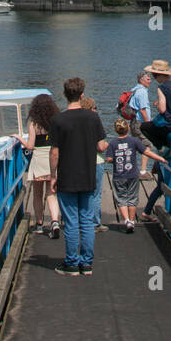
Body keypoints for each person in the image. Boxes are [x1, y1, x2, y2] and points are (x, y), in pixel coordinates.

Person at [49, 77, 107, 276]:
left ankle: (72, 263)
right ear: (82, 95)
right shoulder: (93, 118)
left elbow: (54, 152)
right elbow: (101, 146)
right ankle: (87, 263)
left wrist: (52, 175)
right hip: (88, 175)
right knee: (87, 220)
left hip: (67, 176)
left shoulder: (58, 120)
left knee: (71, 221)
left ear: (65, 95)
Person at [105, 119, 166, 231]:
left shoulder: (112, 143)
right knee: (132, 197)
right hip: (132, 174)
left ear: (116, 130)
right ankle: (132, 221)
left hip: (119, 175)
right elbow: (146, 152)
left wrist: (116, 159)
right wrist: (160, 158)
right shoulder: (134, 141)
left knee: (121, 198)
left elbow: (108, 159)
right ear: (128, 128)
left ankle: (127, 220)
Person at [21, 92, 61, 238]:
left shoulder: (34, 124)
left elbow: (30, 146)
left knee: (37, 195)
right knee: (51, 193)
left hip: (38, 160)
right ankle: (55, 221)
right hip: (52, 159)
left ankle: (39, 224)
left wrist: (20, 139)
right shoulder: (56, 122)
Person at [139, 59, 171, 156]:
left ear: (160, 75)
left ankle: (161, 147)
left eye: (154, 75)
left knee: (144, 127)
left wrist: (158, 105)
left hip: (168, 126)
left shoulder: (162, 87)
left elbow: (162, 110)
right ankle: (169, 152)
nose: (154, 78)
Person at [80, 97, 107, 233]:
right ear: (91, 109)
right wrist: (108, 145)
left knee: (82, 193)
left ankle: (82, 220)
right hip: (96, 161)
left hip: (80, 162)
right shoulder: (95, 122)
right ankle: (95, 222)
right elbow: (101, 147)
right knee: (95, 194)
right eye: (94, 108)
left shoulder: (76, 122)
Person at [128, 70, 152, 176]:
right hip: (140, 123)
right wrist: (149, 124)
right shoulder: (142, 92)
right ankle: (142, 171)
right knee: (147, 145)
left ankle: (132, 168)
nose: (150, 81)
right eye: (148, 79)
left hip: (133, 122)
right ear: (141, 80)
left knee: (135, 145)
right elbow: (142, 110)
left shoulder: (135, 90)